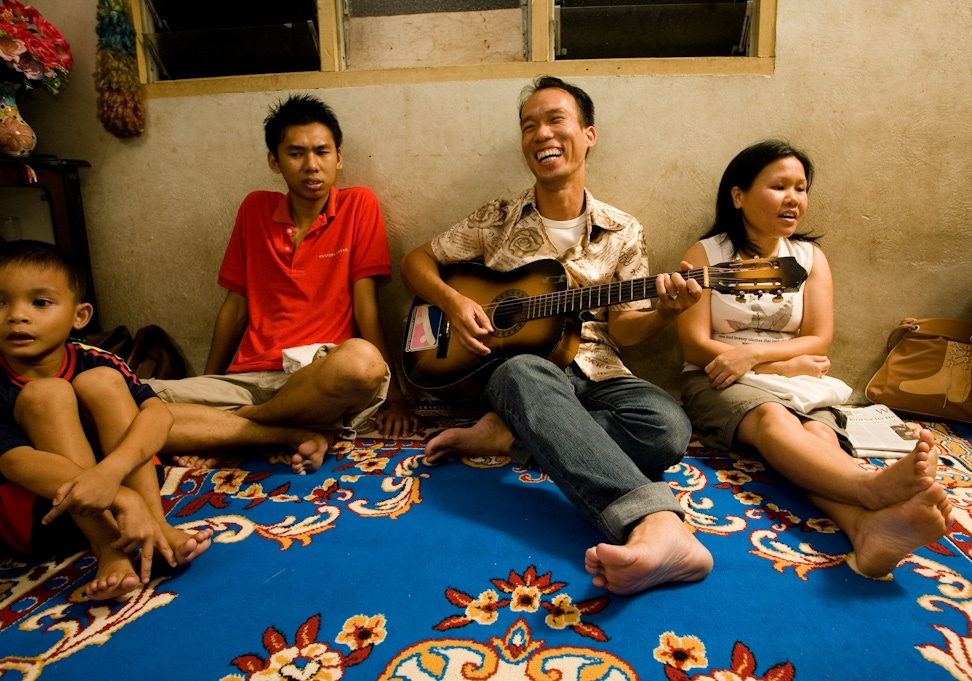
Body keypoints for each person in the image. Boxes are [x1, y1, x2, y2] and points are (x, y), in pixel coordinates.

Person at [399, 76, 713, 595]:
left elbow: (627, 332)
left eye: (555, 120)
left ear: (588, 134)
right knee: (524, 369)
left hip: (600, 370)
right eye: (529, 125)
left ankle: (510, 435)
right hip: (521, 374)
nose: (541, 133)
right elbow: (416, 262)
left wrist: (664, 312)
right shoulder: (497, 217)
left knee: (667, 429)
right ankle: (653, 522)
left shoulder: (623, 229)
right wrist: (453, 303)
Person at [676, 139, 953, 579]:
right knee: (774, 420)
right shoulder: (706, 255)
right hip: (718, 378)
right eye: (779, 186)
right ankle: (870, 487)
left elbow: (819, 339)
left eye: (801, 188)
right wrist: (776, 364)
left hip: (796, 377)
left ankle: (867, 530)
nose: (793, 199)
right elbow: (695, 345)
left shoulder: (809, 257)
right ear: (738, 195)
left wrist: (755, 356)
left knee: (819, 441)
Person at [147, 95, 417, 474]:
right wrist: (208, 384)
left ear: (339, 157)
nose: (311, 166)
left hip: (316, 379)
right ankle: (270, 431)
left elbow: (366, 305)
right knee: (121, 399)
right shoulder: (254, 209)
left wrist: (396, 399)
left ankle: (235, 429)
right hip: (249, 377)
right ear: (274, 161)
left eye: (322, 152)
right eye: (296, 154)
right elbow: (235, 307)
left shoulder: (358, 206)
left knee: (362, 364)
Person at [0, 240, 212, 600]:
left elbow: (158, 416)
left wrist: (111, 474)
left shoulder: (95, 359)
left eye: (40, 303)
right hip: (48, 516)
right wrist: (119, 497)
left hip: (127, 498)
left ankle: (157, 526)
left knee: (102, 383)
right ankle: (109, 550)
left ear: (78, 316)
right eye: (1, 302)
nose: (17, 315)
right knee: (45, 394)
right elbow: (15, 462)